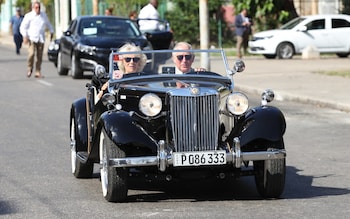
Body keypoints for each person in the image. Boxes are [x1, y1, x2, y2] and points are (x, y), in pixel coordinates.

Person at [20, 1, 54, 78]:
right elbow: (22, 27)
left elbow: (48, 24)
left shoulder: (43, 15)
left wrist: (52, 32)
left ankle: (38, 71)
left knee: (39, 56)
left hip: (41, 38)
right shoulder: (29, 16)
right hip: (32, 38)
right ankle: (29, 69)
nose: (37, 9)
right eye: (36, 7)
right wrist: (25, 36)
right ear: (33, 8)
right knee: (31, 54)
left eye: (39, 7)